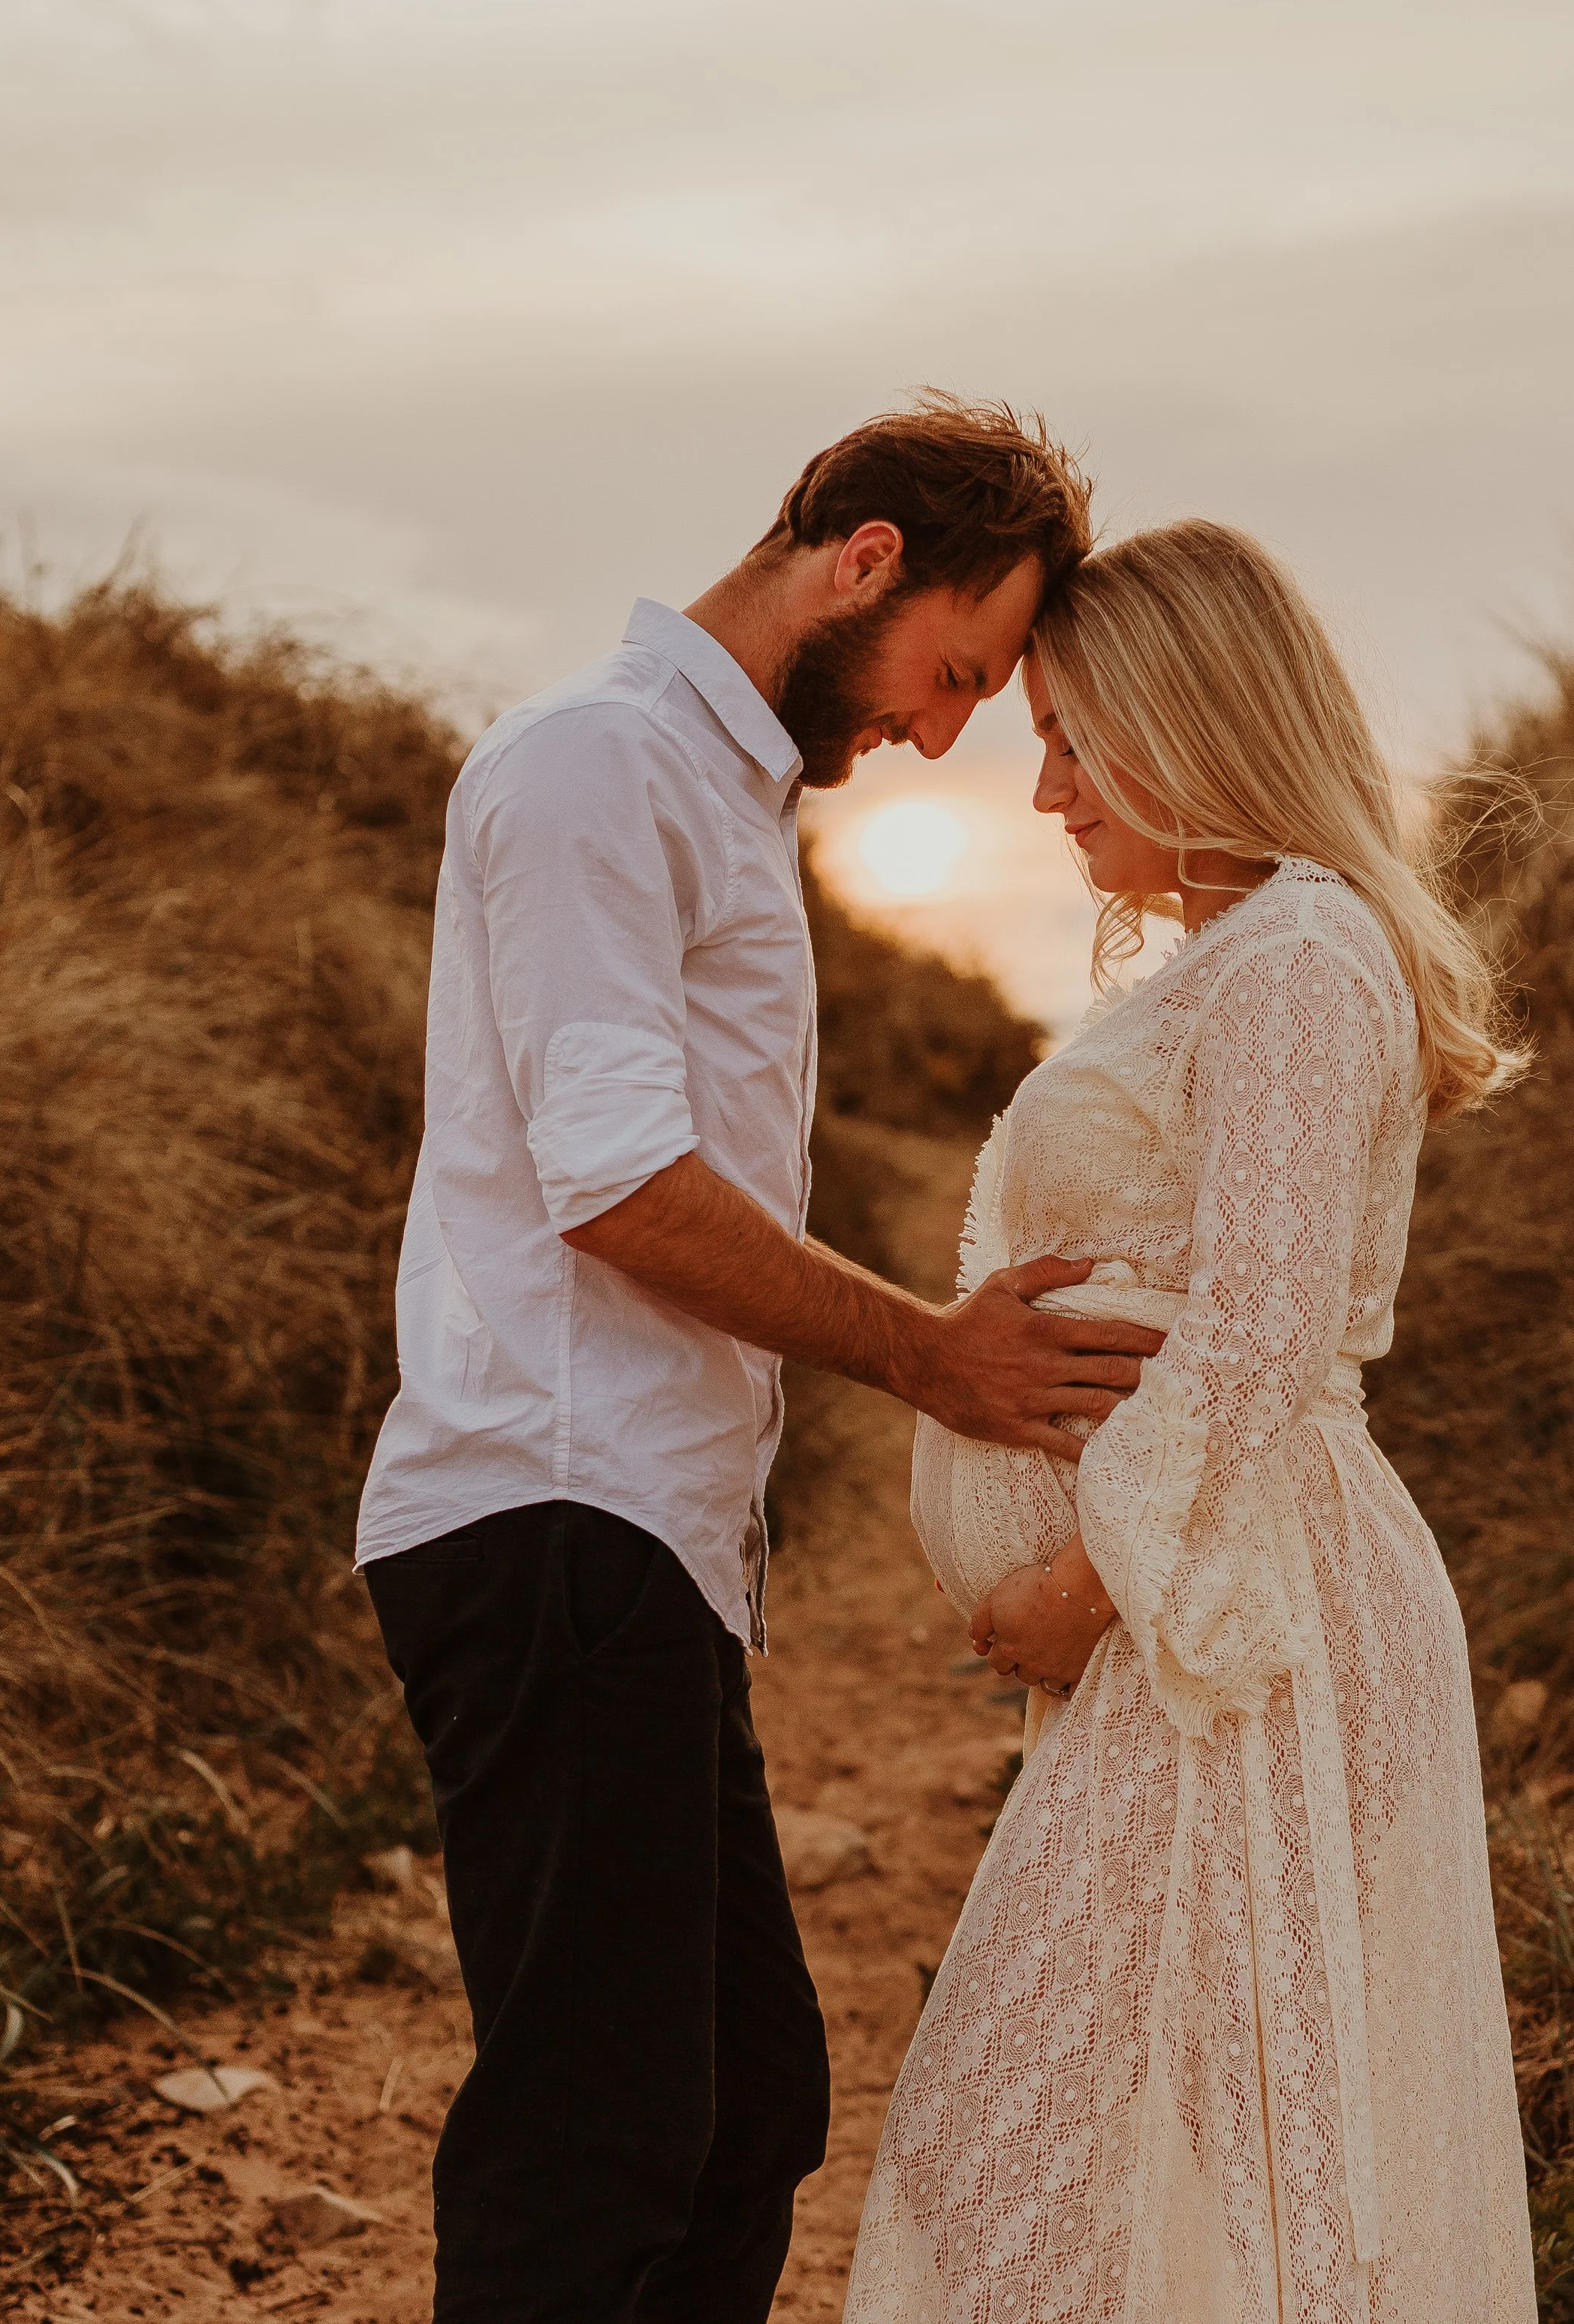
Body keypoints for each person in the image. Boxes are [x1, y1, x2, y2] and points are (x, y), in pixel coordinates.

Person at [354, 397, 1169, 2324]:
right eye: (952, 671)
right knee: (603, 2129)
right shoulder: (593, 771)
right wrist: (937, 1359)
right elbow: (620, 1186)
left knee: (739, 2115)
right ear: (863, 558)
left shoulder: (712, 799)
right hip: (547, 1513)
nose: (941, 729)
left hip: (641, 1543)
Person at [847, 521, 1540, 2322]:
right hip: (1205, 1608)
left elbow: (1261, 1322)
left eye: (1076, 736)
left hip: (1234, 1617)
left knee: (1141, 2132)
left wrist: (1081, 1583)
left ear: (1192, 715)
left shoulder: (1301, 952)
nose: (1046, 789)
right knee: (1135, 2137)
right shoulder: (1245, 951)